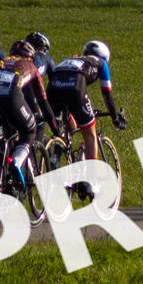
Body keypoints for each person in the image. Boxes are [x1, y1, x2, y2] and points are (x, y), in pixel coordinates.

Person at [44, 39, 123, 198]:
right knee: (90, 134)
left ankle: (56, 156)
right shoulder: (101, 63)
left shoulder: (70, 59)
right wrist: (115, 118)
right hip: (75, 88)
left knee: (68, 125)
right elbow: (106, 93)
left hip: (52, 89)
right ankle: (91, 182)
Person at [0, 39, 50, 188]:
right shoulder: (31, 66)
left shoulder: (0, 63)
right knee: (29, 131)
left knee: (1, 139)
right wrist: (54, 126)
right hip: (11, 97)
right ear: (30, 57)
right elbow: (42, 100)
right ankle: (16, 162)